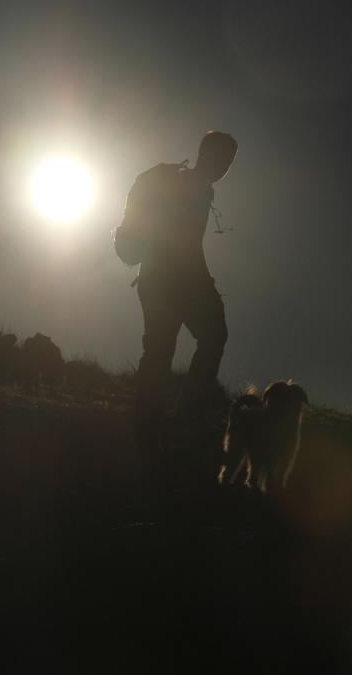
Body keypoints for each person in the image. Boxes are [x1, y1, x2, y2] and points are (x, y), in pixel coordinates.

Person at [127, 131, 238, 476]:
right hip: (168, 283)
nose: (223, 166)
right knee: (167, 347)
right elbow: (180, 240)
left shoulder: (199, 188)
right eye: (221, 158)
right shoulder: (191, 187)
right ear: (205, 153)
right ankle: (160, 425)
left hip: (165, 282)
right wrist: (200, 284)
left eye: (228, 162)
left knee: (177, 344)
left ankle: (164, 422)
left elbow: (186, 242)